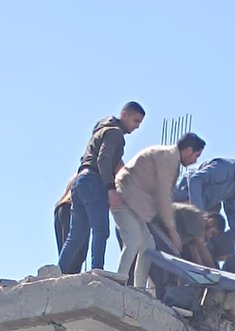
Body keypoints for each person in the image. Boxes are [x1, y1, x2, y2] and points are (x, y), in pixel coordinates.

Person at [59, 102, 145, 274]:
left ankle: (57, 270)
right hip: (94, 181)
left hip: (80, 181)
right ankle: (97, 271)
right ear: (125, 114)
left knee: (76, 235)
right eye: (136, 121)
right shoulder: (115, 133)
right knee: (101, 230)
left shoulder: (101, 129)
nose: (137, 127)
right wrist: (110, 188)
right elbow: (104, 159)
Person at [113, 132, 206, 288]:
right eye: (196, 156)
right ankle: (120, 279)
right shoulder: (167, 157)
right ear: (189, 150)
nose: (195, 161)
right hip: (124, 199)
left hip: (135, 206)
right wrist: (172, 230)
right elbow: (163, 195)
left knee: (148, 245)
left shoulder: (170, 159)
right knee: (134, 240)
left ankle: (139, 287)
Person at [173, 148, 235, 250]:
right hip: (181, 198)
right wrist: (198, 212)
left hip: (195, 212)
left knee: (215, 220)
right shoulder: (224, 168)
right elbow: (195, 180)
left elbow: (232, 215)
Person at [54, 176, 88, 273]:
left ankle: (61, 273)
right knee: (77, 253)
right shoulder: (94, 171)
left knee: (66, 250)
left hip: (61, 206)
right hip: (74, 207)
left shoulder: (78, 175)